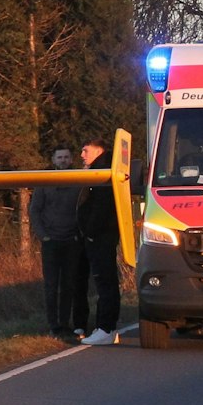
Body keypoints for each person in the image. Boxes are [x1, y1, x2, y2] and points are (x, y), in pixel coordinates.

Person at [31, 147, 89, 342]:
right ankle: (53, 325)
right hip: (51, 242)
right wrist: (43, 236)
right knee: (51, 285)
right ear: (53, 160)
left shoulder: (77, 182)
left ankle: (65, 324)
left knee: (68, 285)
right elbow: (35, 212)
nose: (63, 160)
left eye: (66, 157)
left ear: (71, 159)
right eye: (59, 157)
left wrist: (78, 234)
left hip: (71, 241)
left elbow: (83, 210)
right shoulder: (44, 183)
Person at [78, 139, 126, 346]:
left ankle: (105, 327)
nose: (82, 155)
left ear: (99, 151)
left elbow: (101, 206)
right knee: (104, 281)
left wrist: (90, 231)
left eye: (85, 150)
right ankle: (106, 327)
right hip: (99, 235)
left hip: (100, 237)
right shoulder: (99, 170)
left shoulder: (102, 173)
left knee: (105, 281)